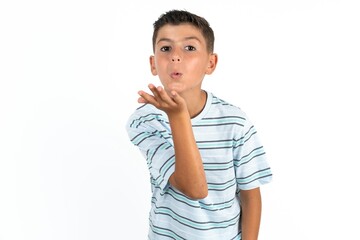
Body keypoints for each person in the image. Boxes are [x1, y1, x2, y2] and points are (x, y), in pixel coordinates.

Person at [125, 9, 272, 240]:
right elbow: (195, 188)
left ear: (210, 63)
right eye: (166, 48)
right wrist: (178, 117)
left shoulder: (235, 123)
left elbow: (250, 195)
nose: (175, 56)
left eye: (189, 48)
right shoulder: (145, 120)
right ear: (153, 64)